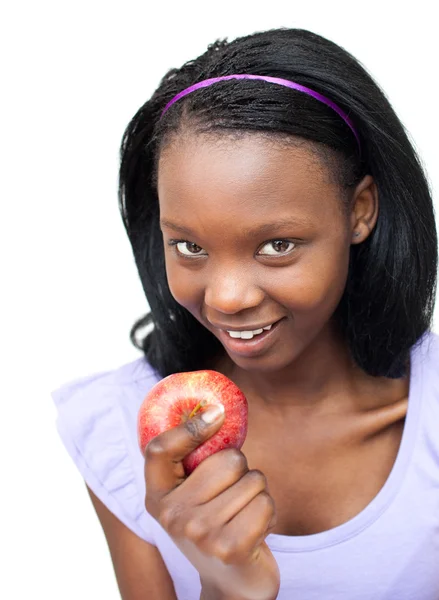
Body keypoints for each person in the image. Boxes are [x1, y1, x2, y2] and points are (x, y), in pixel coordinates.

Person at [51, 27, 439, 600]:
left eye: (277, 245)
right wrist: (226, 588)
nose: (227, 297)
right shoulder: (121, 432)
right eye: (189, 247)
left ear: (360, 212)